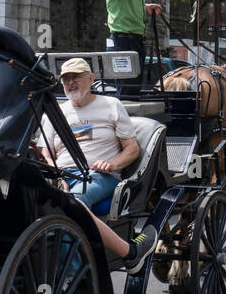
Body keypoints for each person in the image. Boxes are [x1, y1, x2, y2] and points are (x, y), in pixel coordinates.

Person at [35, 58, 157, 272]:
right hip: (62, 174)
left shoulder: (111, 105)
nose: (71, 82)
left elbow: (132, 149)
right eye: (66, 79)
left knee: (72, 203)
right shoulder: (56, 112)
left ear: (91, 79)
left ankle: (123, 256)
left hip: (99, 175)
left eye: (76, 77)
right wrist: (55, 173)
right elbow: (46, 152)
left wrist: (111, 164)